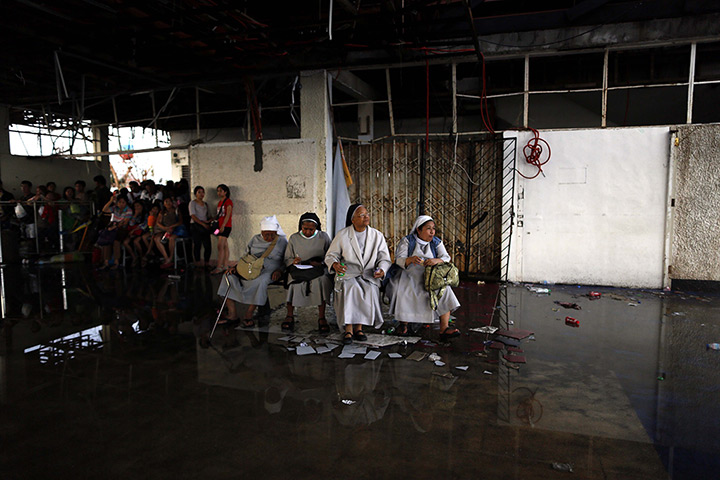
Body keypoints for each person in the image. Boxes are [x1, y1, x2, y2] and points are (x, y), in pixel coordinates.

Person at [325, 204, 391, 345]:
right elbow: (331, 255)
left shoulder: (376, 235)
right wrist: (335, 265)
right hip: (348, 272)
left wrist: (382, 270)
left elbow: (384, 258)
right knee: (351, 288)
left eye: (367, 214)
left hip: (369, 274)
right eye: (361, 215)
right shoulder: (343, 235)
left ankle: (359, 328)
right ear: (353, 219)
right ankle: (348, 329)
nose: (366, 217)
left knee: (369, 289)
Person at [389, 215, 461, 341]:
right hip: (410, 273)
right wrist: (410, 259)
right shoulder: (407, 241)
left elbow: (446, 257)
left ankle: (444, 328)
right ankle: (404, 324)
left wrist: (436, 260)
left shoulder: (436, 242)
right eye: (428, 229)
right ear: (418, 229)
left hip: (431, 275)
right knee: (403, 290)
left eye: (433, 229)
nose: (432, 232)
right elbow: (399, 259)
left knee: (444, 291)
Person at [217, 215, 287, 328]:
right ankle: (232, 314)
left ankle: (249, 314)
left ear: (276, 231)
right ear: (261, 232)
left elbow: (287, 260)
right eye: (266, 234)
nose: (269, 237)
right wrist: (236, 267)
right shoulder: (255, 239)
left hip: (270, 269)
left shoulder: (282, 241)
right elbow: (246, 255)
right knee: (228, 277)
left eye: (272, 234)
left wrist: (280, 270)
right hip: (251, 267)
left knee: (261, 281)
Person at [283, 212, 333, 332]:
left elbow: (331, 255)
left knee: (322, 281)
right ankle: (289, 315)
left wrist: (320, 263)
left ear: (316, 227)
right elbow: (287, 258)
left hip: (318, 269)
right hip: (299, 269)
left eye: (311, 229)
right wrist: (294, 261)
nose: (308, 232)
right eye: (305, 229)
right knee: (292, 282)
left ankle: (321, 317)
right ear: (301, 226)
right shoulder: (294, 238)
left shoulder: (323, 237)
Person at [99, 194, 132, 269]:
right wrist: (110, 201)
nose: (121, 204)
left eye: (123, 202)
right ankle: (106, 262)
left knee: (116, 242)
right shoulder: (114, 208)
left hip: (122, 230)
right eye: (119, 202)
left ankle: (116, 262)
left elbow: (125, 222)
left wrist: (114, 227)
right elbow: (104, 210)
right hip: (113, 229)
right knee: (107, 241)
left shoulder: (128, 210)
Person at [153, 197, 183, 269]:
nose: (168, 203)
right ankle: (166, 257)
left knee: (171, 239)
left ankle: (171, 257)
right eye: (166, 202)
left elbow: (180, 221)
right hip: (164, 230)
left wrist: (172, 226)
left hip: (176, 230)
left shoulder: (176, 211)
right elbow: (158, 222)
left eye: (169, 202)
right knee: (156, 239)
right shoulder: (162, 212)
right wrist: (165, 228)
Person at [211, 184, 233, 274]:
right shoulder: (220, 203)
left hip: (225, 226)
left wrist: (223, 225)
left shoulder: (228, 202)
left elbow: (228, 214)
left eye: (221, 191)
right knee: (224, 246)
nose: (218, 193)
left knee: (220, 246)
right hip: (219, 226)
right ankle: (225, 265)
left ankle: (219, 267)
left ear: (225, 192)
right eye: (218, 191)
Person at [189, 186, 212, 268]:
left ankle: (206, 262)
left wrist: (209, 221)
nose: (201, 194)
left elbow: (208, 216)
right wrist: (202, 224)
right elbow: (193, 215)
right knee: (197, 244)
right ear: (195, 194)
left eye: (202, 192)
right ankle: (197, 262)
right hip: (196, 225)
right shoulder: (193, 203)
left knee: (207, 245)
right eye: (199, 192)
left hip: (205, 226)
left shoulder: (206, 204)